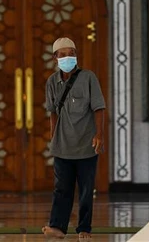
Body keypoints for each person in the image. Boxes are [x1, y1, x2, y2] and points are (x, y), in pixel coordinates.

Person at [42, 37, 106, 240]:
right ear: (55, 57)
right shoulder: (52, 82)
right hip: (63, 145)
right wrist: (53, 136)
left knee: (86, 190)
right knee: (62, 189)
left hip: (86, 144)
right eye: (63, 54)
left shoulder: (88, 78)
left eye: (72, 53)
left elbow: (99, 108)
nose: (68, 57)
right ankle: (57, 227)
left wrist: (99, 134)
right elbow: (52, 111)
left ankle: (84, 228)